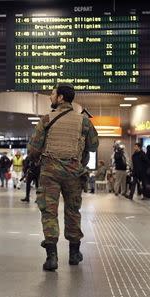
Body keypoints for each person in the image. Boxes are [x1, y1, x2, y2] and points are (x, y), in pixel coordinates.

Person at [28, 83, 98, 271]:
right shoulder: (83, 121)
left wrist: (37, 160)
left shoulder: (46, 120)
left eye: (52, 94)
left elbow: (33, 149)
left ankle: (52, 258)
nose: (50, 97)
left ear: (60, 98)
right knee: (73, 211)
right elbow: (93, 145)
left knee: (49, 212)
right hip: (74, 171)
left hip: (50, 171)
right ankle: (74, 254)